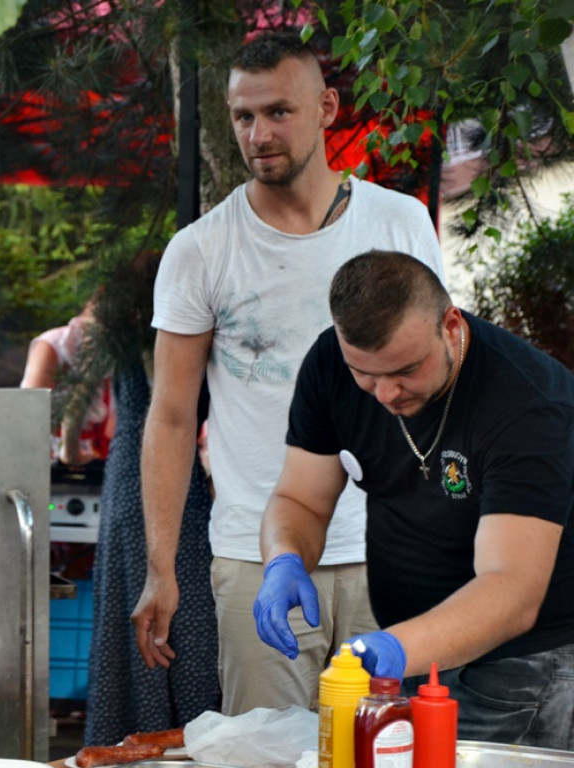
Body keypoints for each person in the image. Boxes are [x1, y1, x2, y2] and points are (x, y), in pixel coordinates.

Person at [131, 30, 445, 715]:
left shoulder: (401, 222)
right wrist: (161, 567)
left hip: (392, 548)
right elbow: (173, 415)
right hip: (257, 555)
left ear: (327, 107)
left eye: (278, 111)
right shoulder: (201, 250)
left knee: (388, 751)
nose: (258, 133)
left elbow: (447, 385)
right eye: (243, 116)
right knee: (265, 757)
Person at [256, 250, 574, 748]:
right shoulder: (330, 364)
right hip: (413, 652)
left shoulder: (528, 402)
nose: (385, 394)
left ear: (450, 325)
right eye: (365, 373)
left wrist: (398, 646)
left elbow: (511, 590)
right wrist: (283, 561)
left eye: (404, 369)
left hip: (524, 665)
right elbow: (301, 498)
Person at [85, 252, 220, 746]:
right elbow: (174, 413)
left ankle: (129, 736)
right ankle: (186, 739)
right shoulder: (169, 330)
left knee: (135, 621)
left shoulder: (121, 324)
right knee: (190, 625)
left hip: (125, 478)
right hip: (167, 479)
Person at [20, 296, 115, 467]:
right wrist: (69, 450)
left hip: (98, 454)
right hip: (47, 454)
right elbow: (30, 411)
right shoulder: (55, 344)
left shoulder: (119, 353)